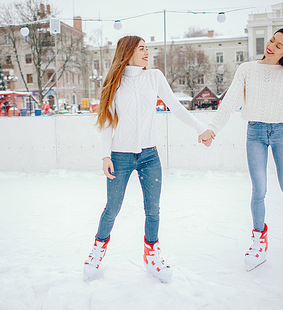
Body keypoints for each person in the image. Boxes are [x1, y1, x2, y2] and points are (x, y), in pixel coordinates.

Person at [83, 36, 214, 282]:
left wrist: (200, 128)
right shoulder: (115, 81)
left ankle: (151, 254)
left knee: (153, 210)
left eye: (147, 48)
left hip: (149, 156)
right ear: (128, 51)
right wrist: (105, 156)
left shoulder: (154, 77)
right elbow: (108, 122)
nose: (146, 52)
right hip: (120, 157)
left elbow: (175, 106)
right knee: (112, 208)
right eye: (141, 48)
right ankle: (97, 251)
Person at [202, 28, 283, 271]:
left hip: (281, 132)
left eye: (279, 45)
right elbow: (229, 101)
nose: (271, 46)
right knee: (259, 189)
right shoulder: (247, 70)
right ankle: (258, 239)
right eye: (272, 40)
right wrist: (212, 129)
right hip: (255, 133)